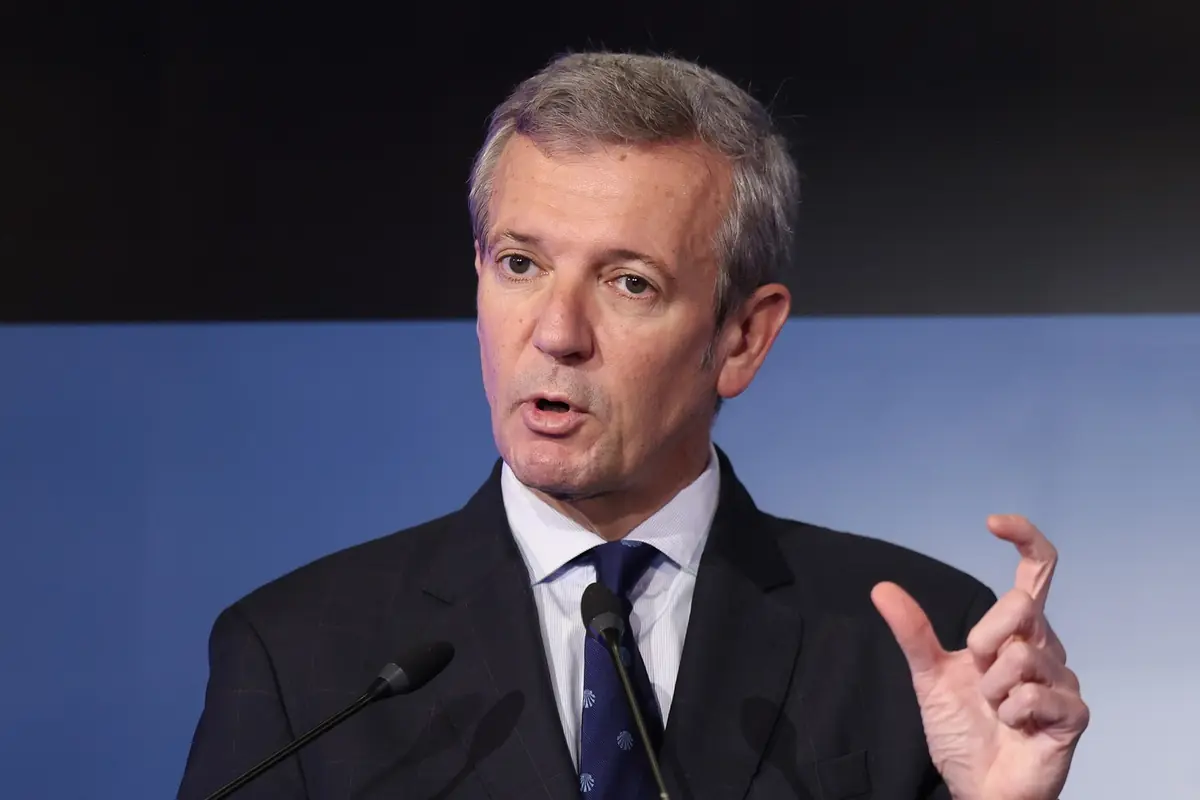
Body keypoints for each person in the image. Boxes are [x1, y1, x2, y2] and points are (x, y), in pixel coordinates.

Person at [177, 52, 1088, 800]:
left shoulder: (915, 646)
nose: (557, 333)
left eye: (629, 283)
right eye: (521, 264)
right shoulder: (300, 655)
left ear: (743, 337)